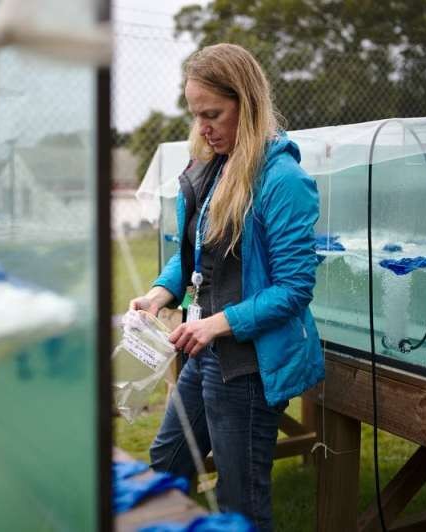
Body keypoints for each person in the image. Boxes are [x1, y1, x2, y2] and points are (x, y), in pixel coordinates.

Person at [128, 43, 324, 531]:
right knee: (169, 459)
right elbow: (197, 254)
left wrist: (216, 324)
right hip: (209, 352)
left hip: (249, 365)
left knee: (241, 499)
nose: (203, 128)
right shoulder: (216, 165)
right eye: (196, 116)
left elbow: (295, 288)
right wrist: (158, 294)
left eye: (213, 114)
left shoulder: (283, 180)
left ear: (248, 103)